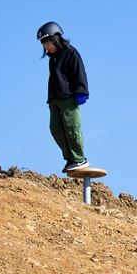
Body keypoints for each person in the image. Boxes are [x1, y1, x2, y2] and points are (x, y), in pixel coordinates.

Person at [37, 21, 90, 173]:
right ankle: (69, 158)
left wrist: (81, 91)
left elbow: (79, 71)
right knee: (55, 128)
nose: (46, 47)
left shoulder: (71, 53)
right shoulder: (52, 58)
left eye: (48, 42)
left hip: (69, 97)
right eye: (44, 44)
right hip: (54, 98)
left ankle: (79, 158)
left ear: (56, 37)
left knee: (71, 127)